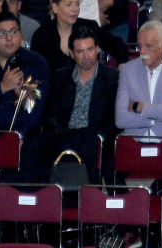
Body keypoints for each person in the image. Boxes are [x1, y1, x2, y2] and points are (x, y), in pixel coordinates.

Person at [39, 23, 117, 182]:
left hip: (94, 138)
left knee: (90, 147)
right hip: (64, 135)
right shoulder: (60, 77)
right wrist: (62, 134)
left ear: (97, 49)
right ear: (71, 53)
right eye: (80, 51)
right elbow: (50, 114)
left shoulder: (112, 79)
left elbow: (113, 119)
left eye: (90, 49)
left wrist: (94, 135)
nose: (86, 55)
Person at [114, 20, 162, 138]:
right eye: (139, 46)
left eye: (148, 46)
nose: (142, 52)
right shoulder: (127, 70)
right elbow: (120, 119)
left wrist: (140, 107)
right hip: (135, 143)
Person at [30, 0, 100, 72]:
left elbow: (111, 43)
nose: (75, 9)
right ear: (55, 7)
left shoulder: (90, 26)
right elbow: (36, 68)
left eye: (77, 4)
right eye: (69, 4)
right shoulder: (42, 36)